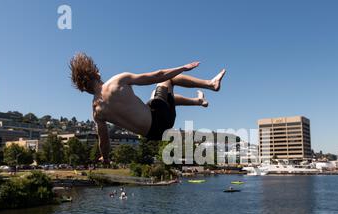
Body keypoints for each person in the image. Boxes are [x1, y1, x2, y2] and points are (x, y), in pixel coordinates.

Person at [69, 53, 226, 164]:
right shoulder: (117, 81)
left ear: (83, 88)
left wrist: (106, 157)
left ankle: (198, 101)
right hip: (160, 119)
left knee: (156, 97)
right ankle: (210, 84)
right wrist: (182, 68)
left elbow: (103, 141)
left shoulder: (96, 111)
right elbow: (157, 75)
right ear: (96, 72)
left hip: (154, 134)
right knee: (167, 80)